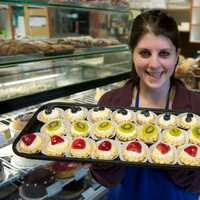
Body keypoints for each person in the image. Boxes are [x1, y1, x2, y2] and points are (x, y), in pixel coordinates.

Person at [90, 10, 200, 200]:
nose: (154, 64)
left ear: (177, 56)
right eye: (145, 53)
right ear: (132, 53)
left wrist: (175, 157)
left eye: (164, 53)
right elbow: (104, 178)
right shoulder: (109, 103)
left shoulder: (196, 106)